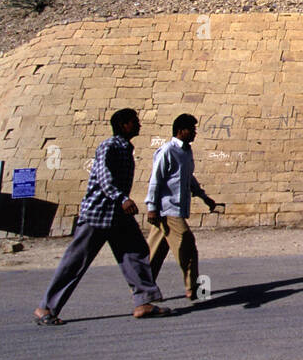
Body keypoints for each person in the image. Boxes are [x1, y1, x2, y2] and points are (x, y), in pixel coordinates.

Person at [34, 108, 170, 324]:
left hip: (118, 217)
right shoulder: (109, 146)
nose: (139, 125)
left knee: (137, 252)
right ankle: (46, 308)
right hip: (98, 214)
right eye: (135, 121)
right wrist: (122, 198)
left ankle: (143, 302)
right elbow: (104, 177)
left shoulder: (126, 148)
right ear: (124, 125)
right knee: (75, 262)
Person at [145, 113, 221, 300]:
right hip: (167, 209)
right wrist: (152, 207)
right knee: (188, 245)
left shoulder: (186, 152)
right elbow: (156, 180)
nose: (195, 133)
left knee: (154, 253)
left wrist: (204, 197)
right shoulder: (167, 151)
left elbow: (188, 178)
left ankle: (143, 288)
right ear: (180, 131)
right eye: (192, 130)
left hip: (173, 209)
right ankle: (192, 287)